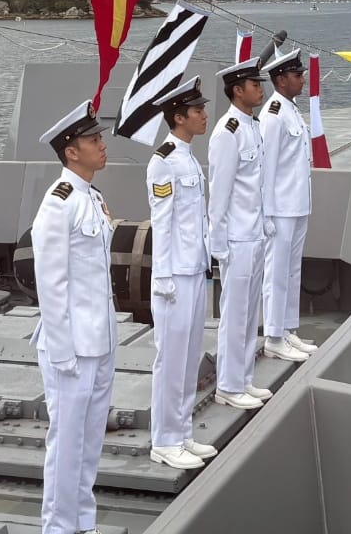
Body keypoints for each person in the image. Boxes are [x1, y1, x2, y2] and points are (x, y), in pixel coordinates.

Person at [118, 75, 216, 471]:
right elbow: (163, 221)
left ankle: (182, 432)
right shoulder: (163, 162)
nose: (204, 116)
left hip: (194, 270)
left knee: (190, 356)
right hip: (174, 276)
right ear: (179, 117)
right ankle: (164, 439)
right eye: (197, 111)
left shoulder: (188, 156)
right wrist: (163, 278)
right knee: (171, 360)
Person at [30, 103, 117, 534]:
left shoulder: (93, 198)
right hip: (71, 349)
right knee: (66, 444)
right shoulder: (58, 203)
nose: (103, 145)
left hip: (98, 342)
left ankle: (83, 521)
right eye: (93, 140)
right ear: (71, 151)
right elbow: (52, 284)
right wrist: (63, 352)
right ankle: (59, 526)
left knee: (89, 442)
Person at [206, 54, 273, 411]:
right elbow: (220, 192)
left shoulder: (251, 125)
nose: (260, 89)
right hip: (237, 238)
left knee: (250, 313)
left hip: (255, 233)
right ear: (237, 90)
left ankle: (244, 377)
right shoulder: (227, 133)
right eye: (254, 84)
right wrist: (218, 243)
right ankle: (229, 385)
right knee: (235, 313)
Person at [259, 48, 317, 361]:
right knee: (276, 273)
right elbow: (266, 169)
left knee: (292, 271)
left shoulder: (291, 110)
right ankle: (273, 335)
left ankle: (288, 329)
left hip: (297, 204)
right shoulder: (273, 114)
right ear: (281, 80)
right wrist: (266, 213)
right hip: (279, 208)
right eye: (297, 75)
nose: (302, 79)